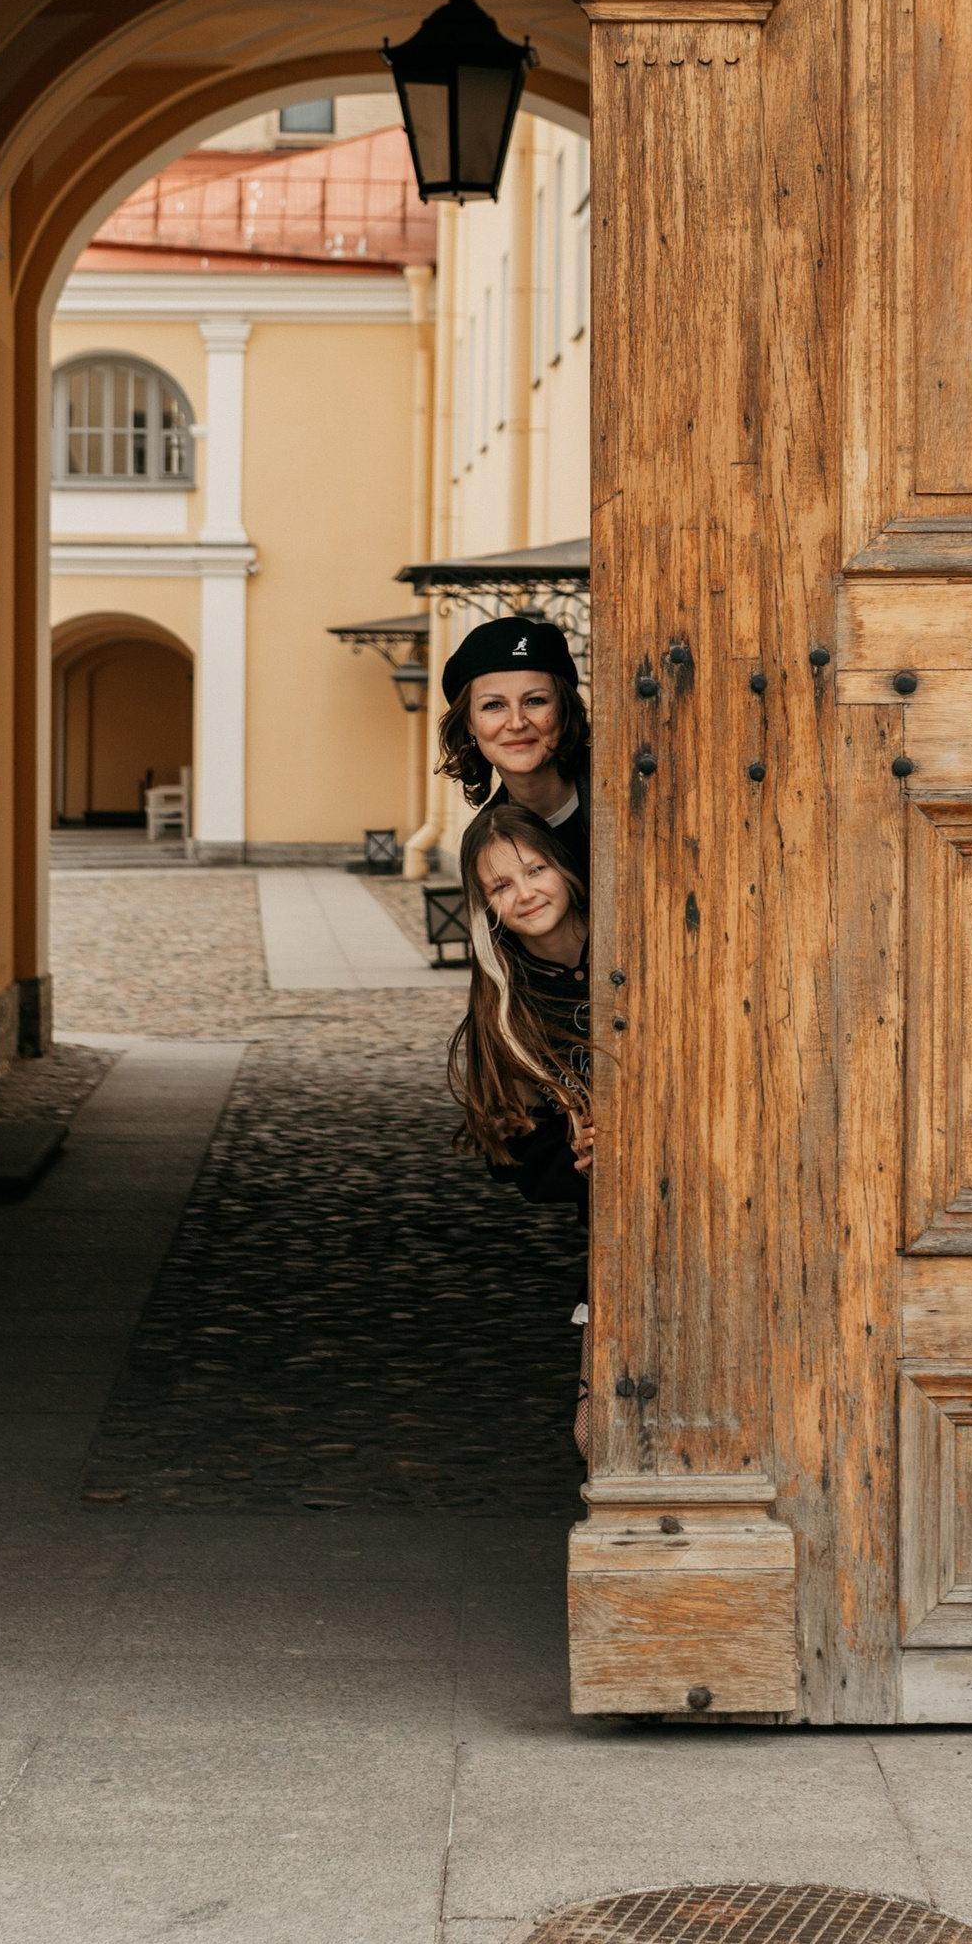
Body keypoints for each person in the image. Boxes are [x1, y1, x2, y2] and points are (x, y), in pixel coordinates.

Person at [445, 794, 595, 1452]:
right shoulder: (504, 999)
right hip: (616, 1229)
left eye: (536, 870)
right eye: (501, 886)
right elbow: (512, 1155)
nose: (526, 893)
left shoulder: (639, 937)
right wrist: (576, 1152)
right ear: (485, 906)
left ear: (564, 866)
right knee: (598, 1429)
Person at [435, 614, 590, 882]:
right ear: (470, 724)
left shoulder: (627, 794)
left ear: (564, 710)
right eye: (493, 705)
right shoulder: (485, 845)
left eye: (535, 701)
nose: (517, 723)